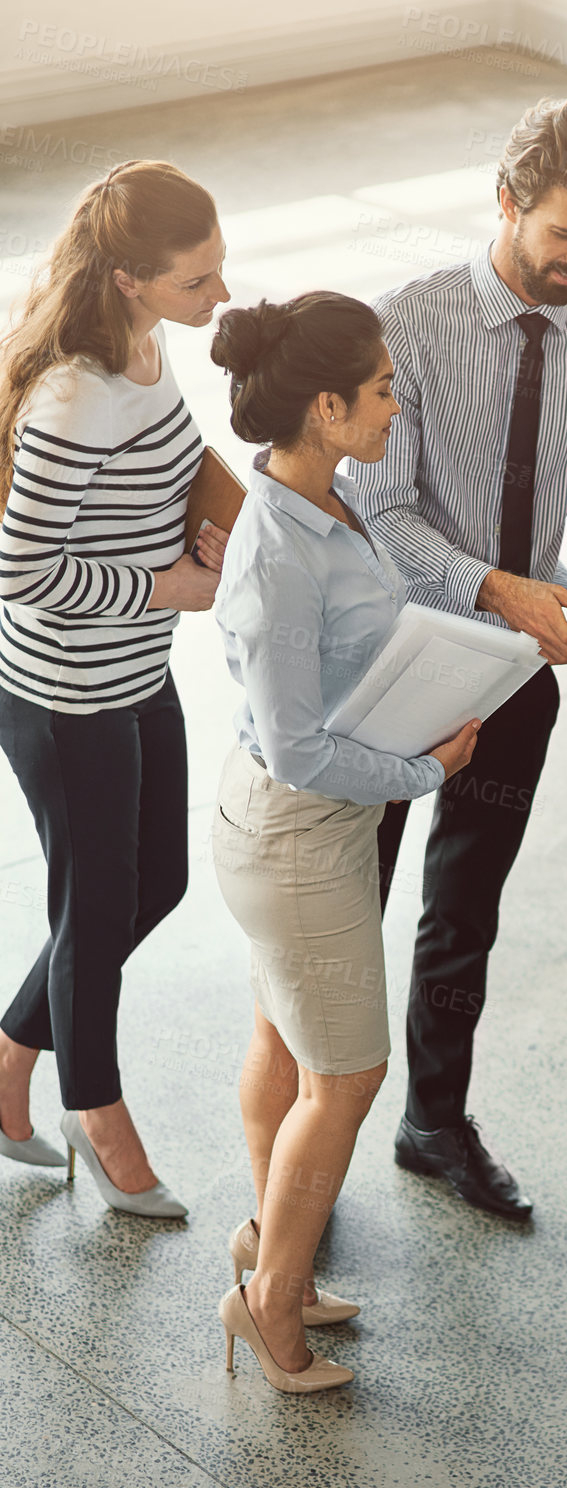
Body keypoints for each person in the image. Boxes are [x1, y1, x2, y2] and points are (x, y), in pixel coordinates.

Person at [347, 96, 567, 1222]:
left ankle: (434, 1121)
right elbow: (384, 519)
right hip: (396, 659)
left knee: (464, 904)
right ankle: (305, 1153)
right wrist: (496, 588)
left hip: (519, 669)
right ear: (508, 204)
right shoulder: (410, 323)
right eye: (560, 237)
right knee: (353, 901)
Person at [210, 292, 479, 1394]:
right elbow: (297, 752)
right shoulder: (279, 555)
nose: (393, 403)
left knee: (286, 1041)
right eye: (377, 390)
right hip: (298, 837)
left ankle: (274, 1247)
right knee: (351, 1074)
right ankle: (270, 1303)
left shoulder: (331, 496)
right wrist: (430, 772)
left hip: (307, 834)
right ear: (324, 407)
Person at [0, 160, 229, 1216]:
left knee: (156, 883)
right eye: (196, 283)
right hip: (64, 691)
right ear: (131, 279)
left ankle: (7, 1053)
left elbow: (166, 461)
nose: (216, 297)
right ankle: (99, 1112)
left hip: (135, 668)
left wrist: (198, 530)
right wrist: (166, 584)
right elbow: (23, 571)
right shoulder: (71, 398)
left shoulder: (148, 340)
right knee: (95, 907)